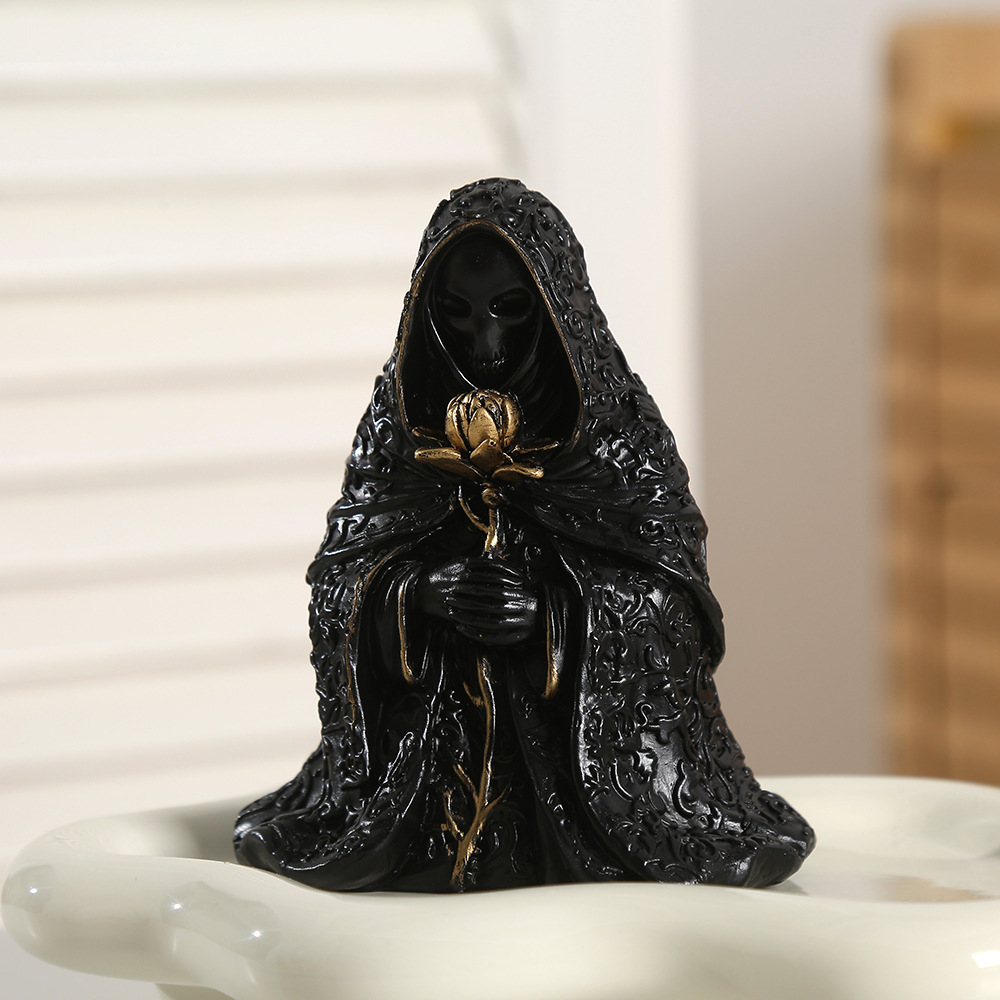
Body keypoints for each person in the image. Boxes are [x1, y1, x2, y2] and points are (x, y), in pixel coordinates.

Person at [234, 178, 815, 891]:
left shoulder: (618, 434)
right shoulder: (398, 423)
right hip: (426, 778)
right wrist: (417, 595)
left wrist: (556, 615)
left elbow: (678, 602)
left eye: (511, 312)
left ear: (556, 307)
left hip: (578, 782)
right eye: (457, 315)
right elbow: (339, 581)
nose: (486, 345)